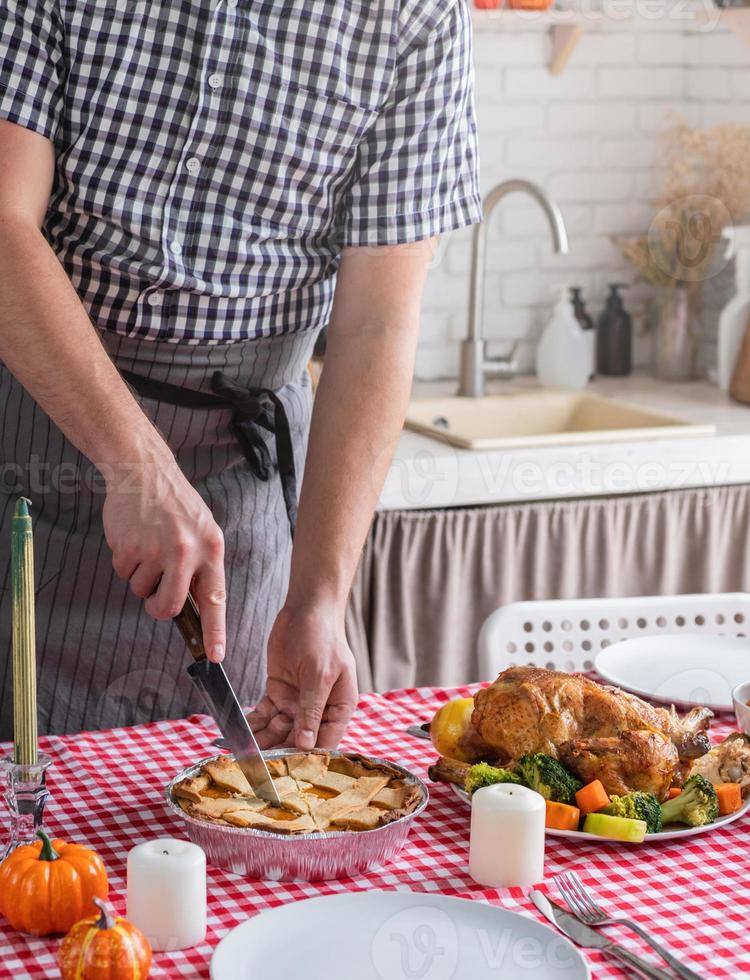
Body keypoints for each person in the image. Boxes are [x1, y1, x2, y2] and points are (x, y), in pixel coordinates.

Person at [0, 0, 480, 746]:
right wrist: (136, 465)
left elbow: (376, 326)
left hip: (245, 484)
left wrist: (320, 595)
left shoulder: (414, 14)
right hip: (37, 436)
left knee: (222, 809)